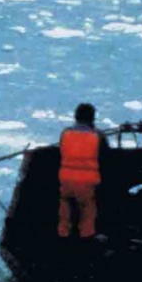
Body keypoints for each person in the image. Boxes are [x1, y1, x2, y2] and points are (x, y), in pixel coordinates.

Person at [56, 101, 106, 240]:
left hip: (66, 180)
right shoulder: (98, 136)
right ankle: (86, 240)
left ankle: (63, 237)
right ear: (92, 118)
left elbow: (61, 152)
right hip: (88, 183)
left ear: (75, 117)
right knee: (87, 211)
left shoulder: (65, 133)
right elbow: (106, 158)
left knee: (65, 209)